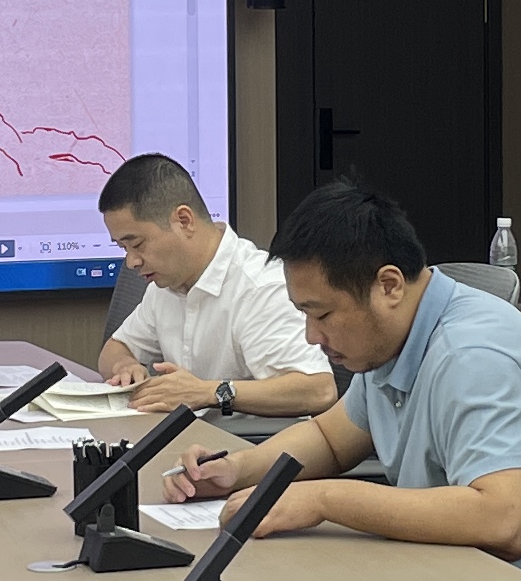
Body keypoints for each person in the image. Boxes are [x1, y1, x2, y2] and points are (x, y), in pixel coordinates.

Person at [162, 179, 521, 580]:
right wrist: (236, 471)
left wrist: (322, 500)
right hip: (454, 572)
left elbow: (504, 520)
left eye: (323, 315)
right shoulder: (394, 337)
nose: (312, 336)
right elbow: (330, 439)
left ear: (389, 286)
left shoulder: (473, 356)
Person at [91, 153, 338, 419]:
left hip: (249, 441)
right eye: (123, 248)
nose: (131, 262)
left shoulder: (259, 287)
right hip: (185, 435)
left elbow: (319, 390)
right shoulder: (166, 285)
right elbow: (114, 349)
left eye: (137, 244)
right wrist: (125, 366)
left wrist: (208, 393)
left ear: (184, 221)